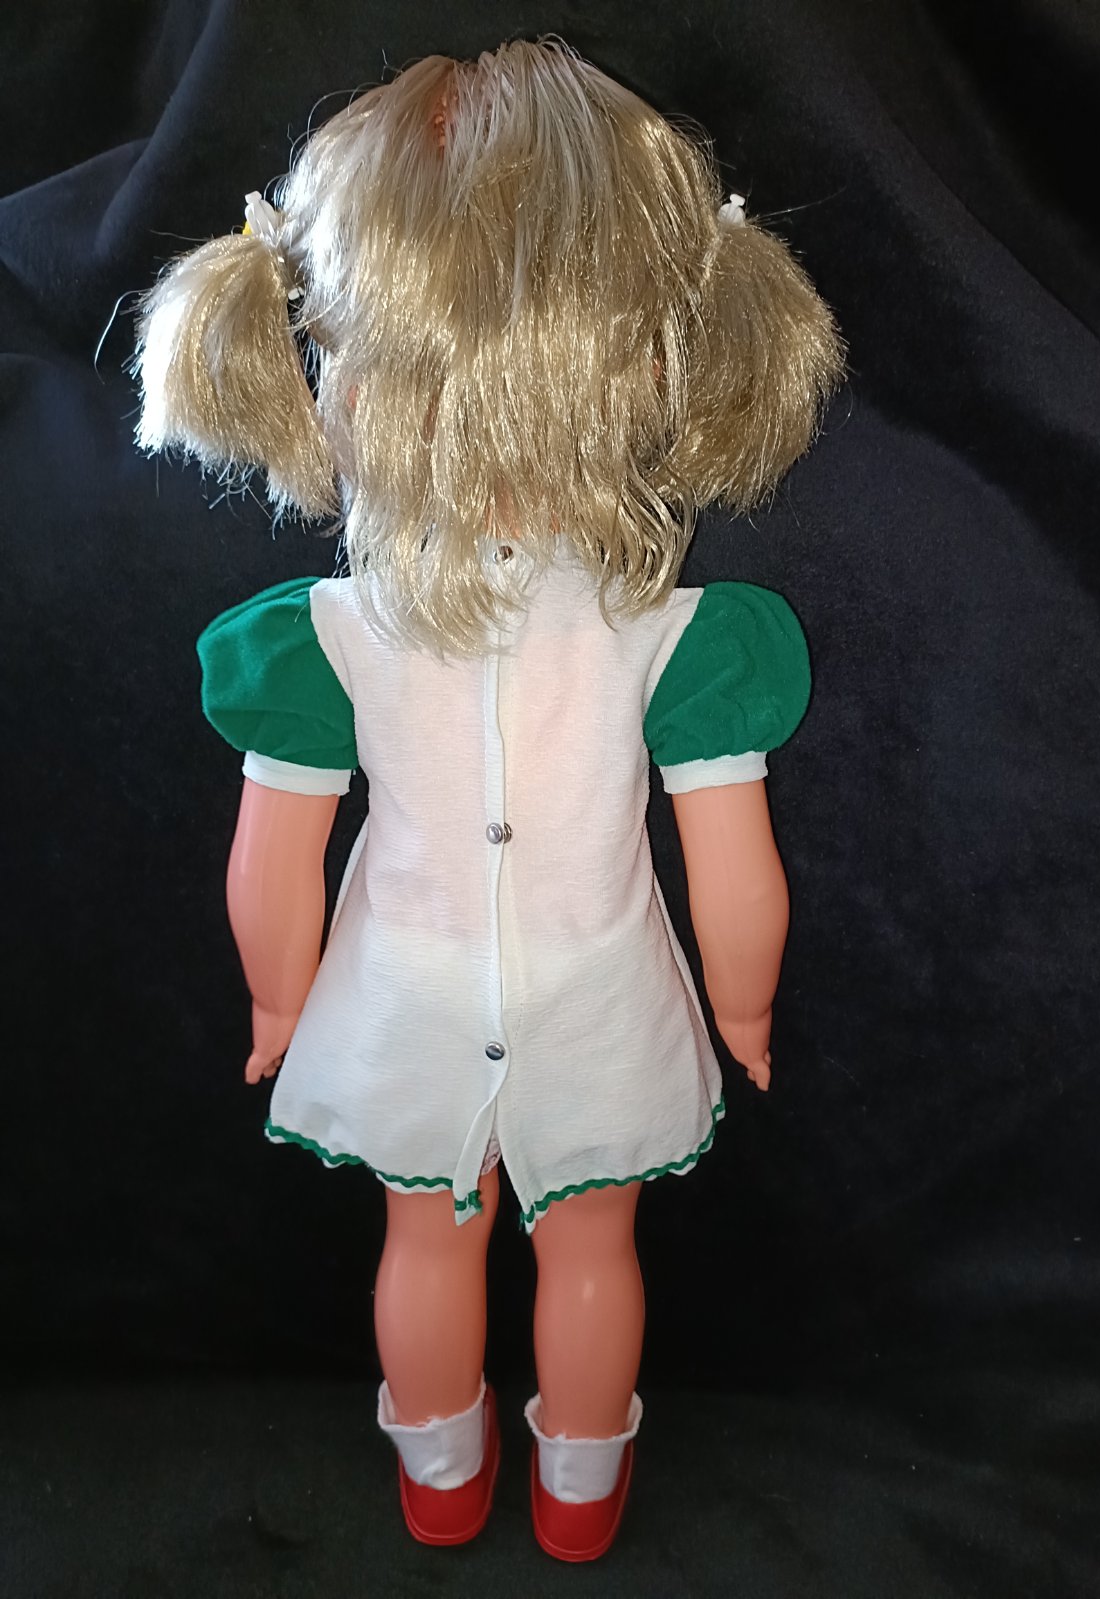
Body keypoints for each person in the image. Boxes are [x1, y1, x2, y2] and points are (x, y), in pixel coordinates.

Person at [136, 37, 843, 1562]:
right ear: (653, 358)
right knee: (590, 1249)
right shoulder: (665, 638)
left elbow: (274, 865)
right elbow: (734, 867)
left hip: (408, 982)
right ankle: (579, 1486)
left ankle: (442, 1471)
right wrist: (744, 1000)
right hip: (599, 984)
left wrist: (280, 997)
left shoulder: (335, 637)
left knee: (428, 1237)